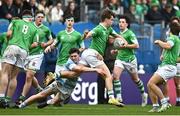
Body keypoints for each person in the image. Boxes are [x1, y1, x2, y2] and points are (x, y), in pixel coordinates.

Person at [18, 48, 105, 108]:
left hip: (69, 87)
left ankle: (48, 101)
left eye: (75, 56)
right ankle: (22, 105)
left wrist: (98, 55)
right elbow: (78, 69)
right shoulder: (69, 62)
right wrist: (95, 69)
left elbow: (92, 55)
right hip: (60, 83)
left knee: (55, 102)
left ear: (79, 56)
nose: (73, 58)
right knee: (41, 95)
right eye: (72, 56)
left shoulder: (83, 61)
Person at [79, 9, 127, 106]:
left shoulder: (108, 29)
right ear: (106, 19)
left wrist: (124, 41)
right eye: (111, 20)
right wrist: (85, 35)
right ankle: (111, 98)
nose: (113, 22)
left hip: (87, 54)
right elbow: (88, 36)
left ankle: (57, 76)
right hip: (93, 54)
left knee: (75, 73)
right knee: (108, 76)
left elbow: (117, 35)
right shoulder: (98, 29)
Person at [0, 10, 38, 108]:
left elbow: (8, 34)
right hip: (24, 51)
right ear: (31, 17)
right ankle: (8, 100)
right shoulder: (34, 28)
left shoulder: (16, 21)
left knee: (4, 73)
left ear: (22, 16)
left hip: (13, 46)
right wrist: (26, 46)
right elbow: (35, 44)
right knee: (14, 76)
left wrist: (9, 42)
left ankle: (1, 98)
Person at [16, 11, 54, 104]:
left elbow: (51, 39)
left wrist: (46, 44)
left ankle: (22, 98)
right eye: (38, 17)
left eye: (42, 17)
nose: (40, 19)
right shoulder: (29, 26)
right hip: (26, 53)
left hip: (37, 55)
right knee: (29, 75)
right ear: (34, 18)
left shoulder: (46, 29)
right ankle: (38, 88)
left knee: (29, 76)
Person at [112, 15, 148, 106]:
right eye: (119, 22)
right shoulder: (119, 34)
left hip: (130, 60)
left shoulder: (130, 33)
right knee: (115, 76)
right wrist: (116, 50)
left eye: (123, 22)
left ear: (127, 24)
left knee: (135, 79)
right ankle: (119, 97)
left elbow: (136, 45)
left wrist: (126, 46)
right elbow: (121, 47)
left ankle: (144, 94)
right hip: (120, 59)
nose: (120, 24)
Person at [147, 21, 180, 112]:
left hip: (168, 66)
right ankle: (155, 106)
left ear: (171, 30)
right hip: (166, 66)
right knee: (150, 85)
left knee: (151, 83)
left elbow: (168, 46)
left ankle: (164, 102)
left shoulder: (172, 38)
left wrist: (159, 41)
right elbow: (168, 48)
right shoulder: (176, 39)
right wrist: (163, 54)